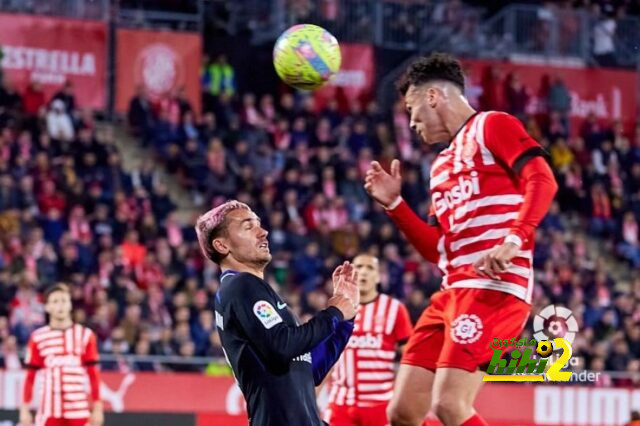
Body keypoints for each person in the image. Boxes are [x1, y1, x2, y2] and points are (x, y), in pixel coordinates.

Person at [364, 53, 558, 426]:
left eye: (411, 107)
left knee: (450, 406)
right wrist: (395, 204)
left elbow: (542, 179)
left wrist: (514, 240)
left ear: (433, 96)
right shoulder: (440, 167)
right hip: (450, 293)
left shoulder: (491, 126)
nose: (411, 121)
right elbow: (437, 250)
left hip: (493, 289)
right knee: (402, 412)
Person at [195, 200, 359, 426]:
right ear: (222, 245)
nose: (263, 232)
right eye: (248, 226)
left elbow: (309, 371)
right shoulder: (240, 286)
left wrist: (344, 320)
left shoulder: (255, 292)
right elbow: (282, 346)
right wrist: (333, 313)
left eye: (259, 224)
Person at [323, 253, 413, 426]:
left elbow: (409, 357)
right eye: (359, 267)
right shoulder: (336, 309)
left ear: (378, 276)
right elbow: (326, 359)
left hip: (380, 405)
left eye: (370, 268)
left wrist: (404, 399)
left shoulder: (395, 309)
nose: (363, 272)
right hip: (340, 405)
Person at [20, 283, 103, 426]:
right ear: (47, 307)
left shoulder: (85, 335)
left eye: (64, 301)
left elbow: (93, 374)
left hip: (78, 410)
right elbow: (30, 377)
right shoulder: (37, 338)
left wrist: (97, 407)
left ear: (70, 305)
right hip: (49, 411)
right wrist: (24, 408)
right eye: (55, 301)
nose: (60, 306)